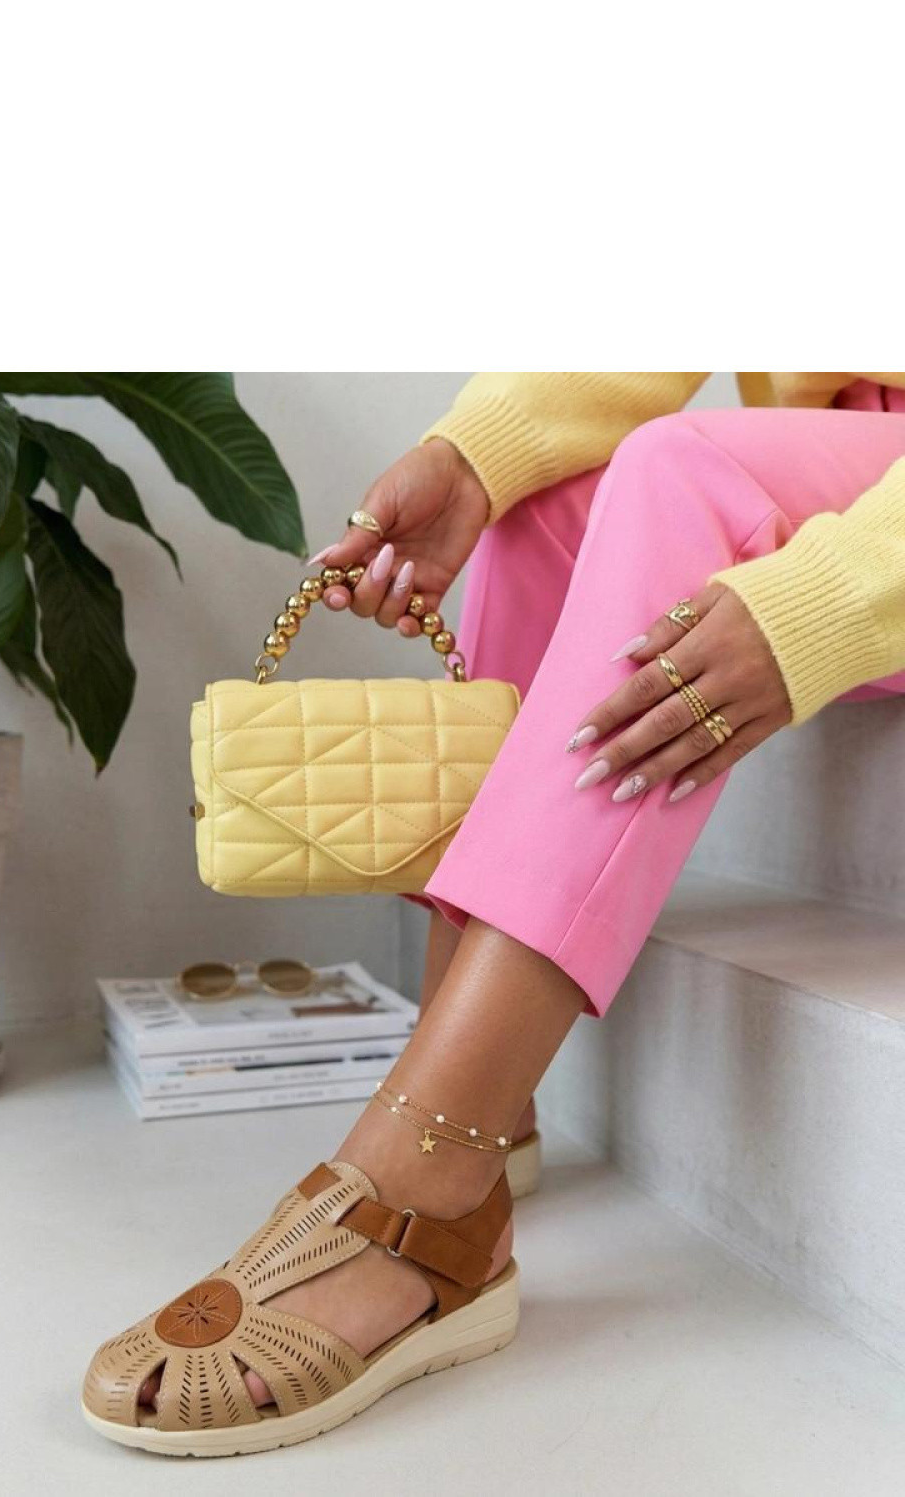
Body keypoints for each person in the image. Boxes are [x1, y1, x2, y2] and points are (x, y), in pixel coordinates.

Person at [83, 372, 905, 1456]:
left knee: (680, 470)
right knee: (538, 498)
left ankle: (426, 1175)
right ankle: (483, 1089)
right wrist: (475, 454)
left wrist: (839, 594)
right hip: (844, 458)